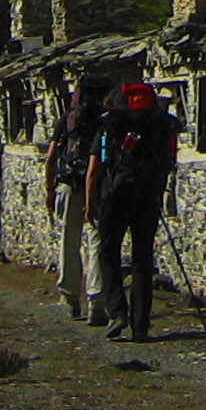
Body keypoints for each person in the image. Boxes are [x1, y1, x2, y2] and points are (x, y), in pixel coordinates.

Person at [89, 80, 181, 341]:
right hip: (148, 194)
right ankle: (141, 325)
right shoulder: (160, 124)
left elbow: (96, 166)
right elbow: (168, 160)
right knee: (142, 258)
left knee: (109, 254)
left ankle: (117, 312)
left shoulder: (110, 124)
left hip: (115, 194)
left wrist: (90, 202)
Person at [42, 74, 115, 322]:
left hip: (68, 184)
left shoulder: (68, 119)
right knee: (96, 243)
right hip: (97, 187)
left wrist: (49, 189)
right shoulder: (106, 121)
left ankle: (70, 298)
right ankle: (97, 301)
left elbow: (51, 156)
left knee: (68, 240)